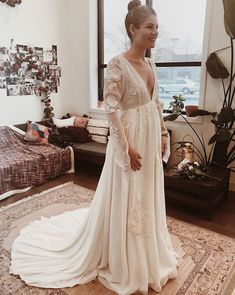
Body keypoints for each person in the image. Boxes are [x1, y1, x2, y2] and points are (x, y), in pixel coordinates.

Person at [9, 1, 179, 294]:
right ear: (133, 29)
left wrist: (163, 133)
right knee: (129, 194)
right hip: (129, 140)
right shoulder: (117, 64)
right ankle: (125, 257)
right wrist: (126, 147)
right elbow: (112, 109)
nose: (155, 32)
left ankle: (147, 250)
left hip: (149, 138)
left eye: (157, 27)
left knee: (146, 192)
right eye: (150, 27)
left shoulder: (151, 64)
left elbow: (156, 104)